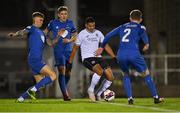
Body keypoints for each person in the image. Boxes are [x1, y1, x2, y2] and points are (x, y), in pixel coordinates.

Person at [95, 10, 164, 104]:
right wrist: (146, 44)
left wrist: (101, 47)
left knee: (126, 74)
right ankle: (156, 97)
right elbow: (144, 36)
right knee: (146, 74)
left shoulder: (122, 27)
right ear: (140, 19)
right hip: (134, 54)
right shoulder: (141, 27)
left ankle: (130, 99)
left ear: (130, 18)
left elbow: (107, 36)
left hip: (121, 55)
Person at [8, 12, 65, 102]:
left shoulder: (42, 33)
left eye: (42, 20)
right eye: (40, 20)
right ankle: (31, 91)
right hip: (35, 59)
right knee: (53, 75)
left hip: (35, 59)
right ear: (34, 20)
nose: (41, 22)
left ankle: (21, 98)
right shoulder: (32, 28)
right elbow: (23, 31)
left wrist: (59, 36)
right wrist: (15, 34)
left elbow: (51, 43)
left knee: (40, 84)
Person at [69, 17, 116, 102]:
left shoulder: (98, 33)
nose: (92, 27)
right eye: (90, 26)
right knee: (99, 71)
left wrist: (113, 56)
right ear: (86, 25)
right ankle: (91, 90)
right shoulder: (82, 34)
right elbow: (75, 48)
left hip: (98, 57)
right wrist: (70, 61)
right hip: (87, 58)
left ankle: (98, 94)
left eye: (93, 26)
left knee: (111, 77)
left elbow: (105, 45)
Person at [44, 6, 77, 101]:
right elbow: (44, 33)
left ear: (67, 15)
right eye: (62, 14)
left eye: (65, 14)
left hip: (68, 51)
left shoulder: (70, 23)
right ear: (58, 15)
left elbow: (75, 36)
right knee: (61, 70)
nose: (63, 16)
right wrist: (49, 41)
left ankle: (63, 88)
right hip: (58, 51)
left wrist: (69, 40)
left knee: (68, 72)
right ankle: (65, 94)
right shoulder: (53, 23)